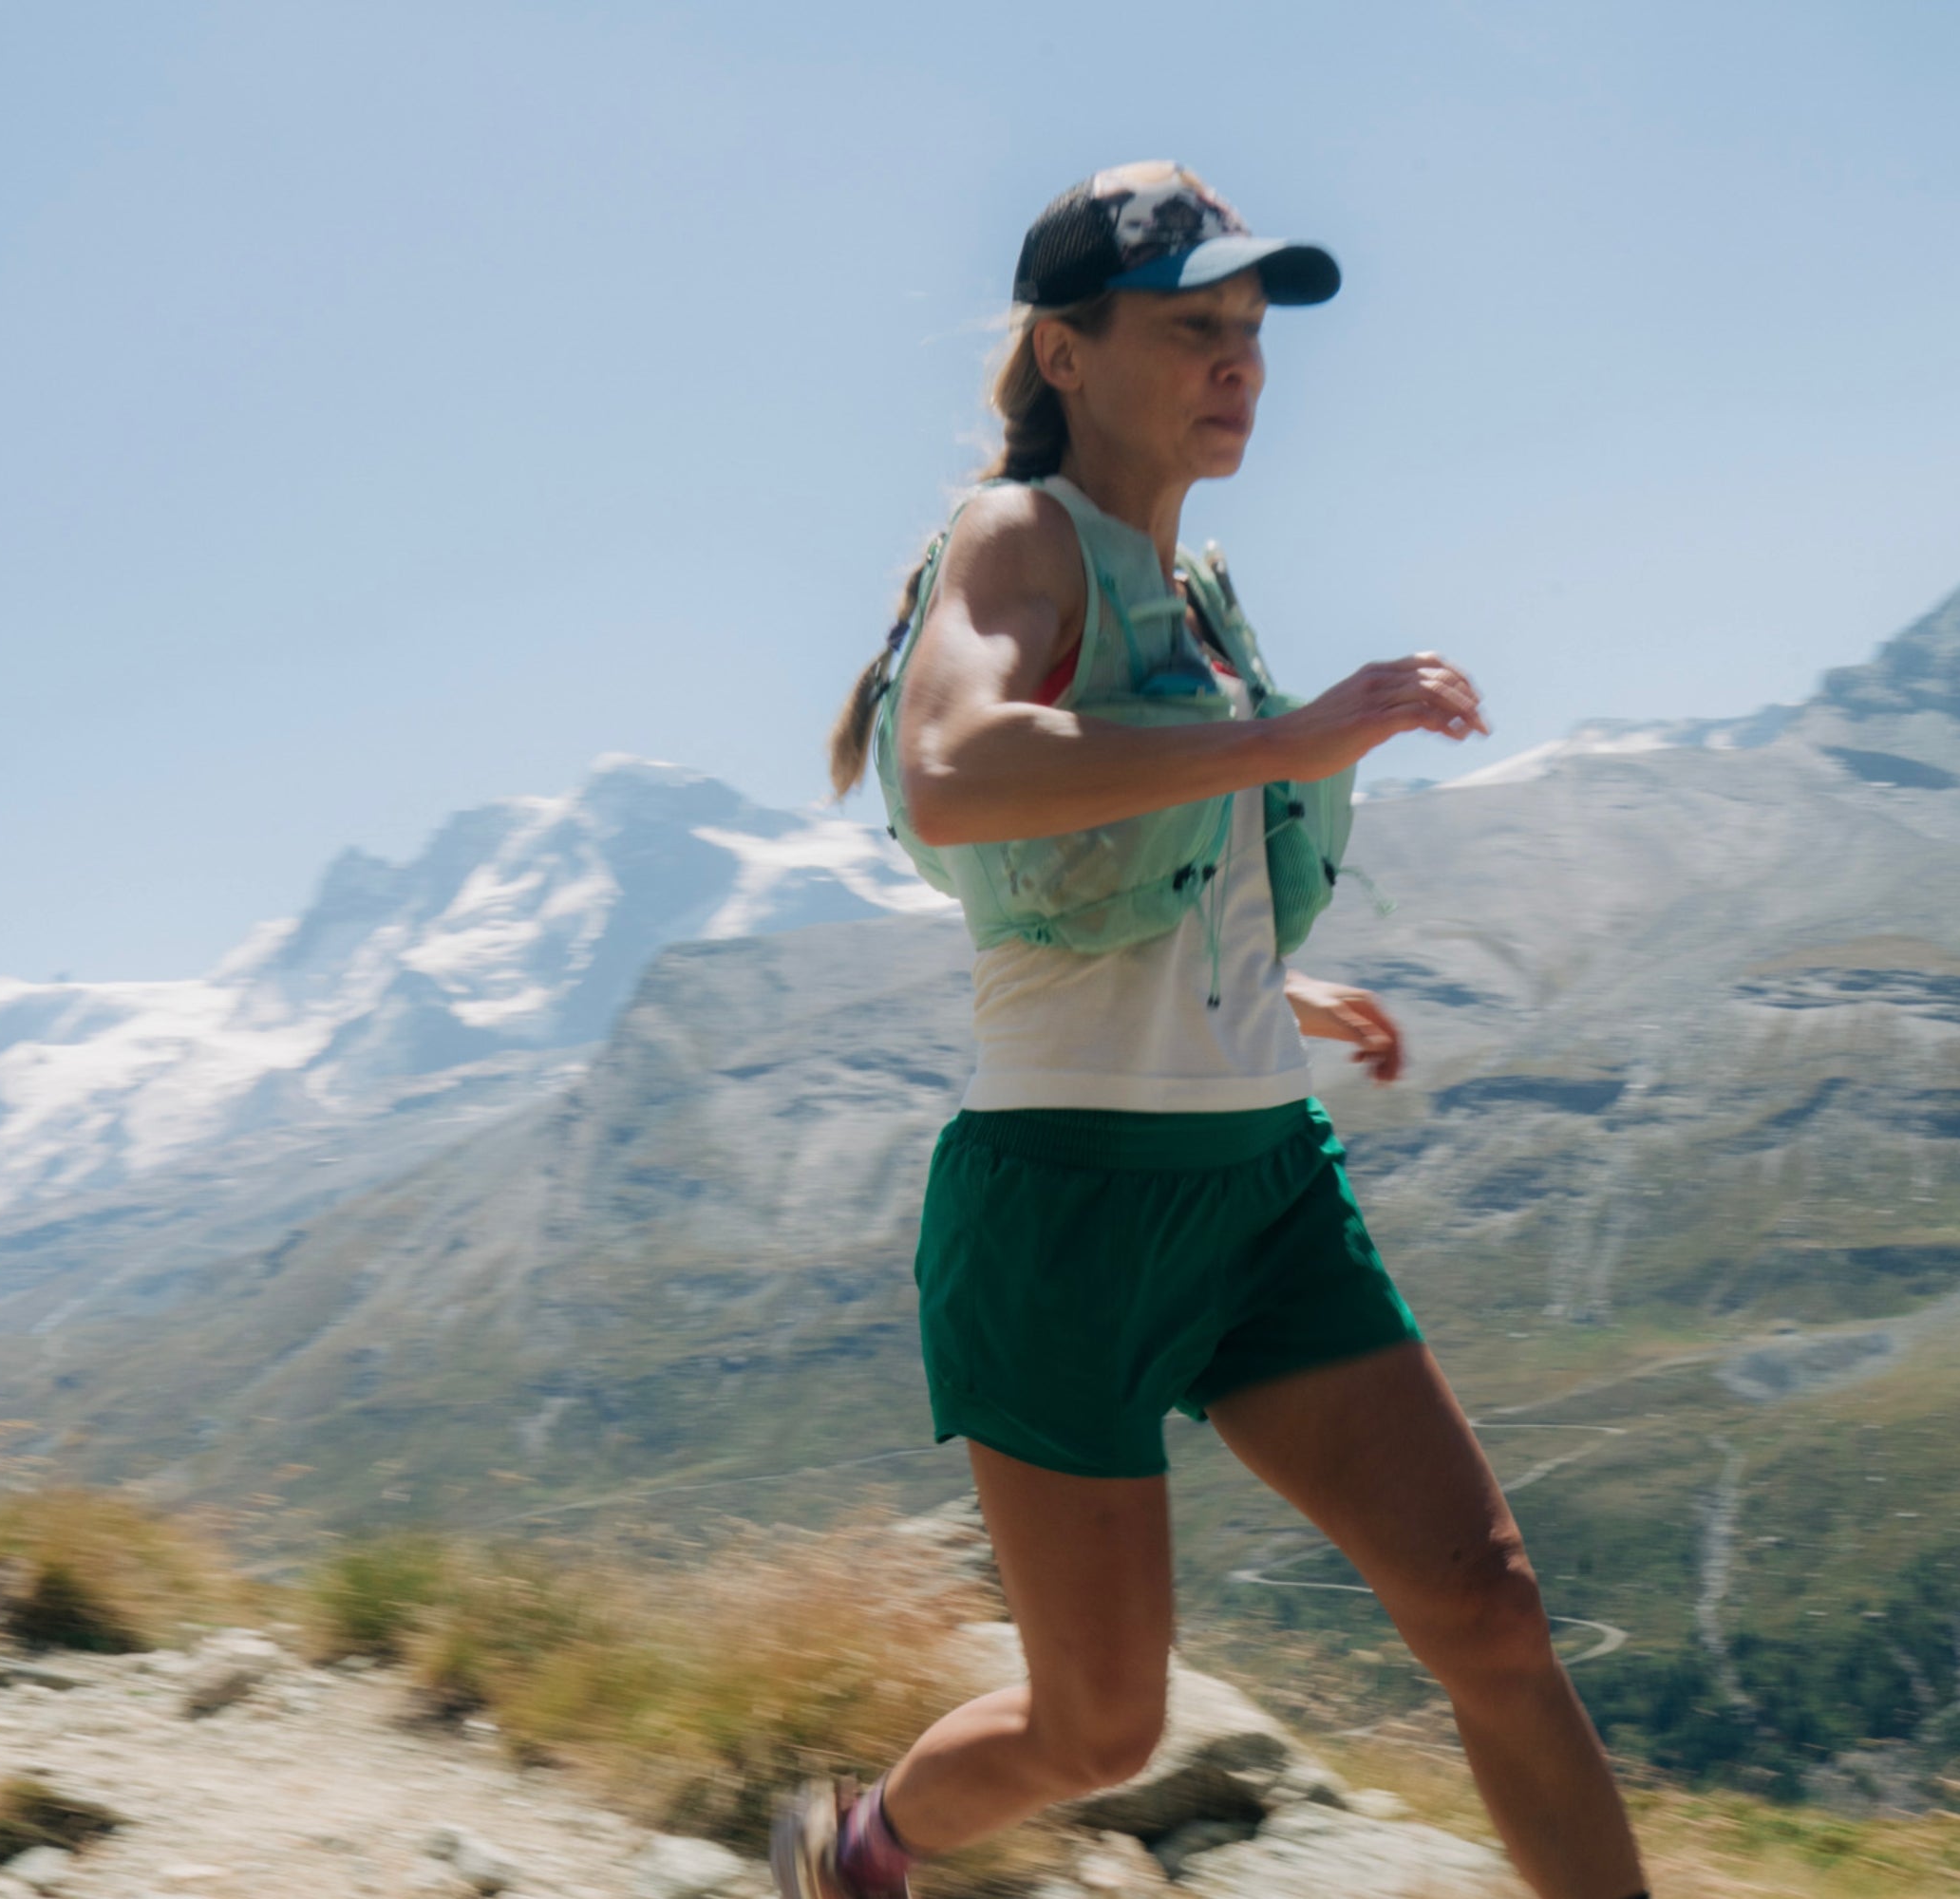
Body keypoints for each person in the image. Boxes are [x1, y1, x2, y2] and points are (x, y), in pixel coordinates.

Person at [782, 161, 1649, 1899]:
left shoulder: (1201, 588)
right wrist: (1292, 738)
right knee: (1099, 1730)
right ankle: (856, 1856)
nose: (1239, 364)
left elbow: (1132, 855)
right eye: (1195, 329)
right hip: (1067, 1208)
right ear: (1066, 352)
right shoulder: (1018, 538)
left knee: (1488, 1611)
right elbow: (954, 773)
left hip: (1260, 1183)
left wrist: (1268, 980)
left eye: (1252, 333)